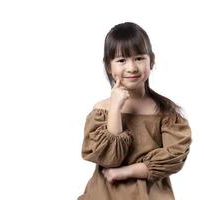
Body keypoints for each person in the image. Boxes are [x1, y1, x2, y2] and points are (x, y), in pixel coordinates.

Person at [77, 22, 192, 200]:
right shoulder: (102, 110)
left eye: (139, 58)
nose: (131, 67)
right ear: (109, 66)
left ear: (151, 61)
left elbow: (174, 157)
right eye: (121, 60)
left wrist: (126, 172)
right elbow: (109, 159)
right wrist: (115, 108)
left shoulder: (166, 112)